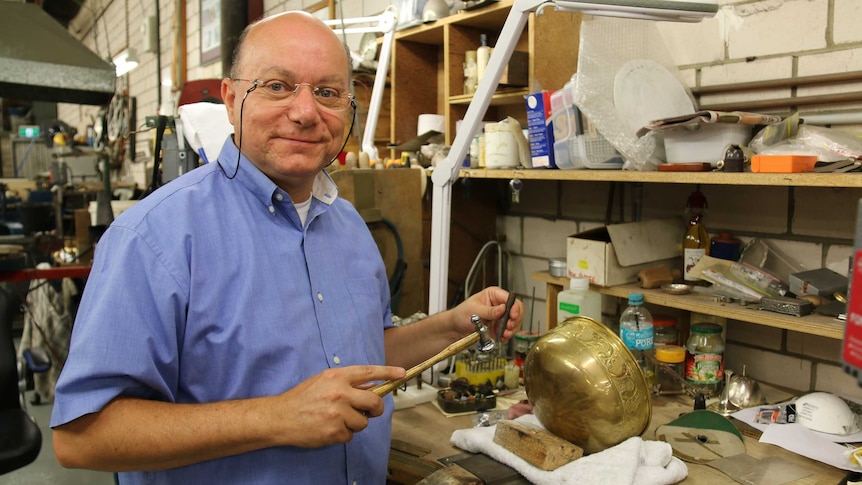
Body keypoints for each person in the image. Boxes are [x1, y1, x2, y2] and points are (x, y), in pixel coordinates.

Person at [50, 10, 523, 484]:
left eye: (327, 92)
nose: (304, 111)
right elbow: (82, 435)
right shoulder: (155, 238)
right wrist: (277, 417)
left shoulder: (349, 226)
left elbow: (359, 351)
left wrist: (453, 325)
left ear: (348, 110)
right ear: (231, 98)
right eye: (277, 86)